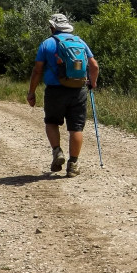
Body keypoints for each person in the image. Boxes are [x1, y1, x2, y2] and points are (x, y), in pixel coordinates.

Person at [26, 14, 99, 177]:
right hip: (78, 90)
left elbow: (37, 70)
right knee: (76, 128)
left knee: (51, 122)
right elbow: (94, 66)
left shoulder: (47, 44)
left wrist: (31, 92)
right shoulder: (79, 42)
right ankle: (73, 165)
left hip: (55, 91)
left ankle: (57, 151)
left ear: (53, 28)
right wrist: (92, 83)